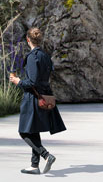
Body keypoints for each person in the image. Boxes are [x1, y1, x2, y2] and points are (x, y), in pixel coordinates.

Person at [8, 26, 64, 174]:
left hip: (33, 97)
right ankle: (34, 165)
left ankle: (46, 155)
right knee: (34, 130)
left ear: (28, 40)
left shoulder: (33, 57)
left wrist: (18, 81)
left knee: (24, 132)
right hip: (44, 95)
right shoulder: (45, 56)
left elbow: (32, 82)